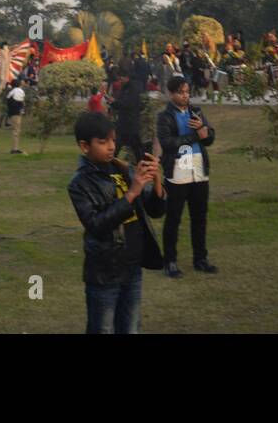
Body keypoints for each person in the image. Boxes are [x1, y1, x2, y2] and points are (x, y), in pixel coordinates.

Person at [68, 112, 166, 333]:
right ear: (85, 146)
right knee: (102, 328)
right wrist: (131, 193)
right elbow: (97, 225)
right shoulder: (80, 183)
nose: (111, 146)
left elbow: (156, 210)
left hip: (132, 267)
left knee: (130, 327)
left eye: (113, 140)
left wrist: (156, 178)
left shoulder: (123, 169)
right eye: (103, 142)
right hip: (104, 272)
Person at [156, 76, 217, 277]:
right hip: (178, 173)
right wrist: (194, 136)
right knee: (173, 219)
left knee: (199, 218)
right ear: (171, 94)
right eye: (181, 92)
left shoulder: (196, 111)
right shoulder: (164, 117)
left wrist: (202, 130)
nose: (185, 96)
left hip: (199, 172)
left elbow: (209, 138)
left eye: (187, 92)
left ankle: (200, 259)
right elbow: (169, 144)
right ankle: (170, 261)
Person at [6, 80, 27, 154]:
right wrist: (22, 111)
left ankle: (15, 147)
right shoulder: (18, 91)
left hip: (12, 113)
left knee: (16, 130)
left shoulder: (11, 92)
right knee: (16, 131)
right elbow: (20, 103)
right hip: (16, 113)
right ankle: (14, 149)